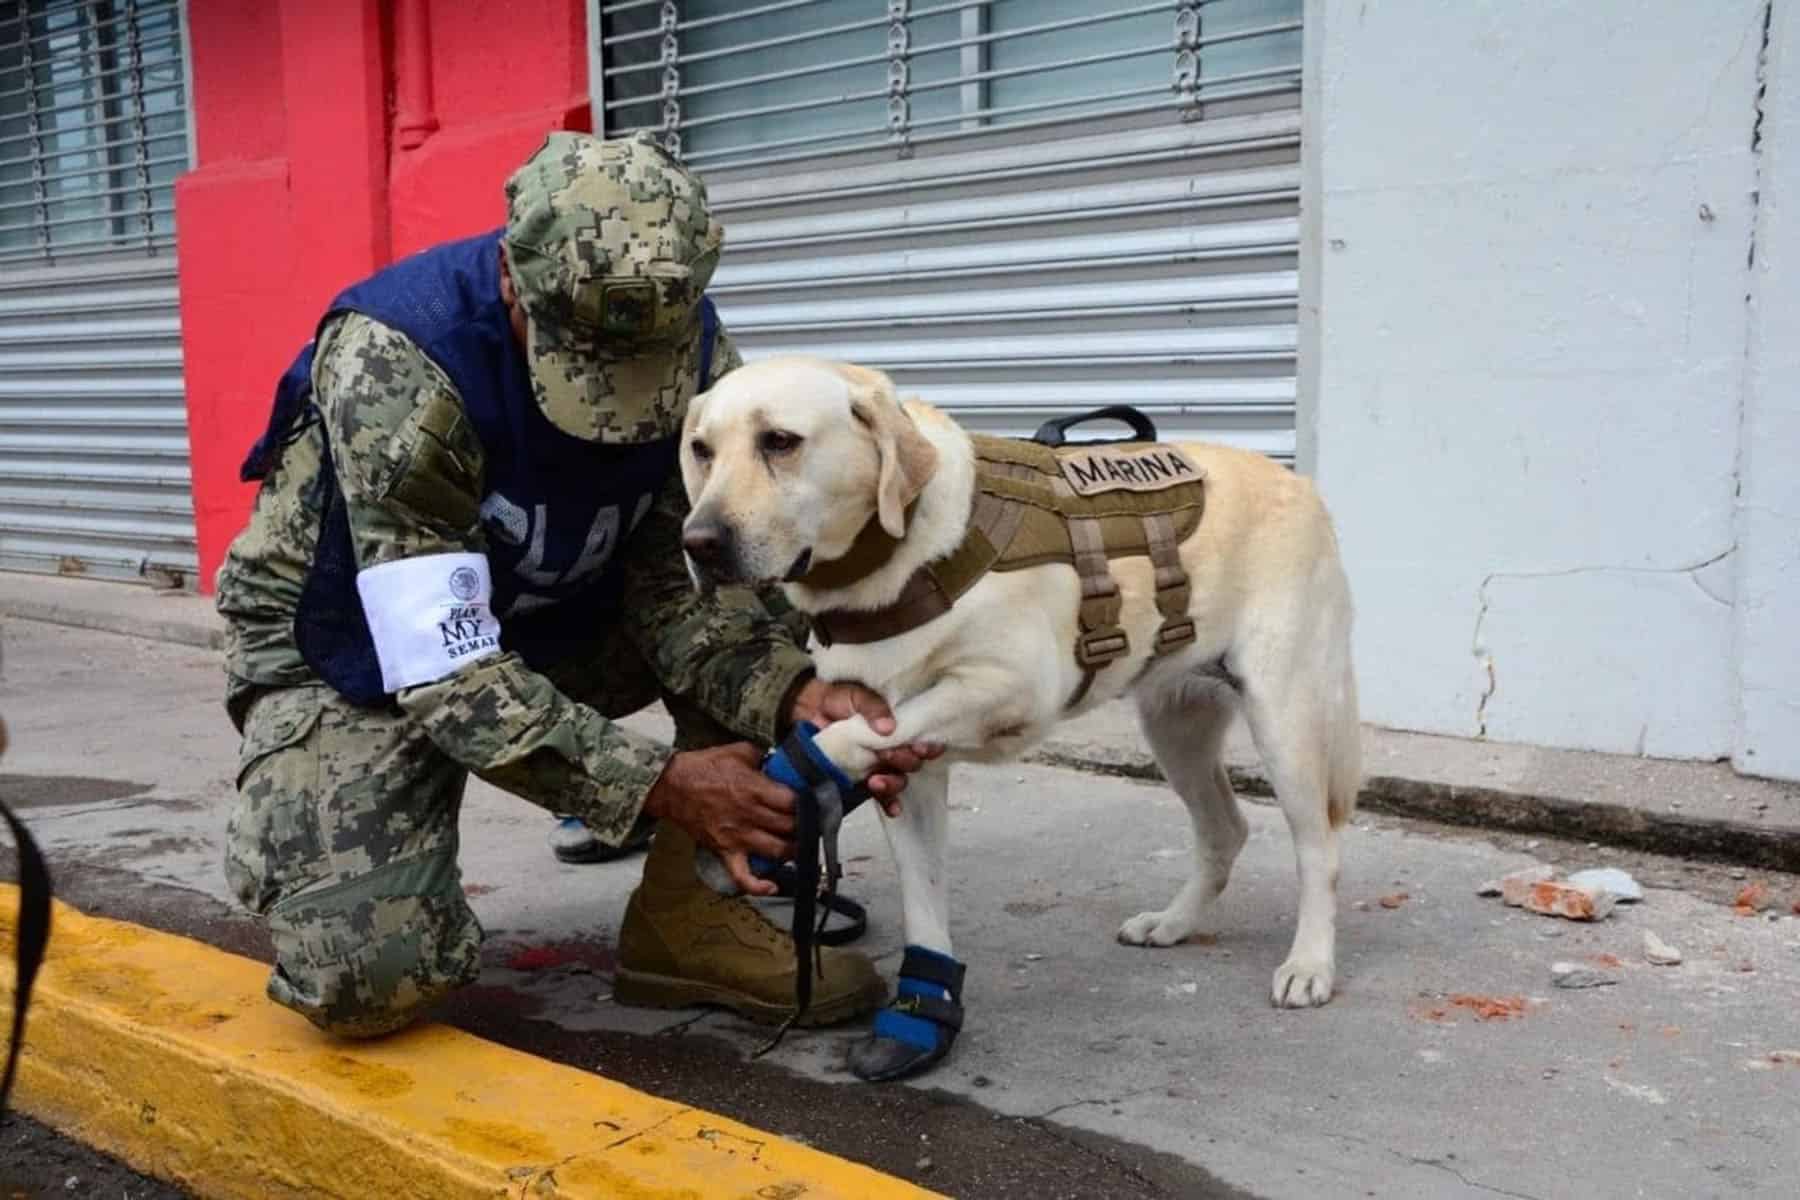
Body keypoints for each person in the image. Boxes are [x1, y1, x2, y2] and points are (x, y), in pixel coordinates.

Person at [215, 130, 936, 1038]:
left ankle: (690, 916)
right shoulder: (400, 364)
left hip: (551, 621)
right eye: (588, 362)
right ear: (514, 281)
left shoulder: (693, 346)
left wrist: (797, 695)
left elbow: (682, 585)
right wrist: (652, 784)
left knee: (756, 570)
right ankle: (354, 844)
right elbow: (441, 663)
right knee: (369, 980)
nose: (623, 399)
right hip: (348, 655)